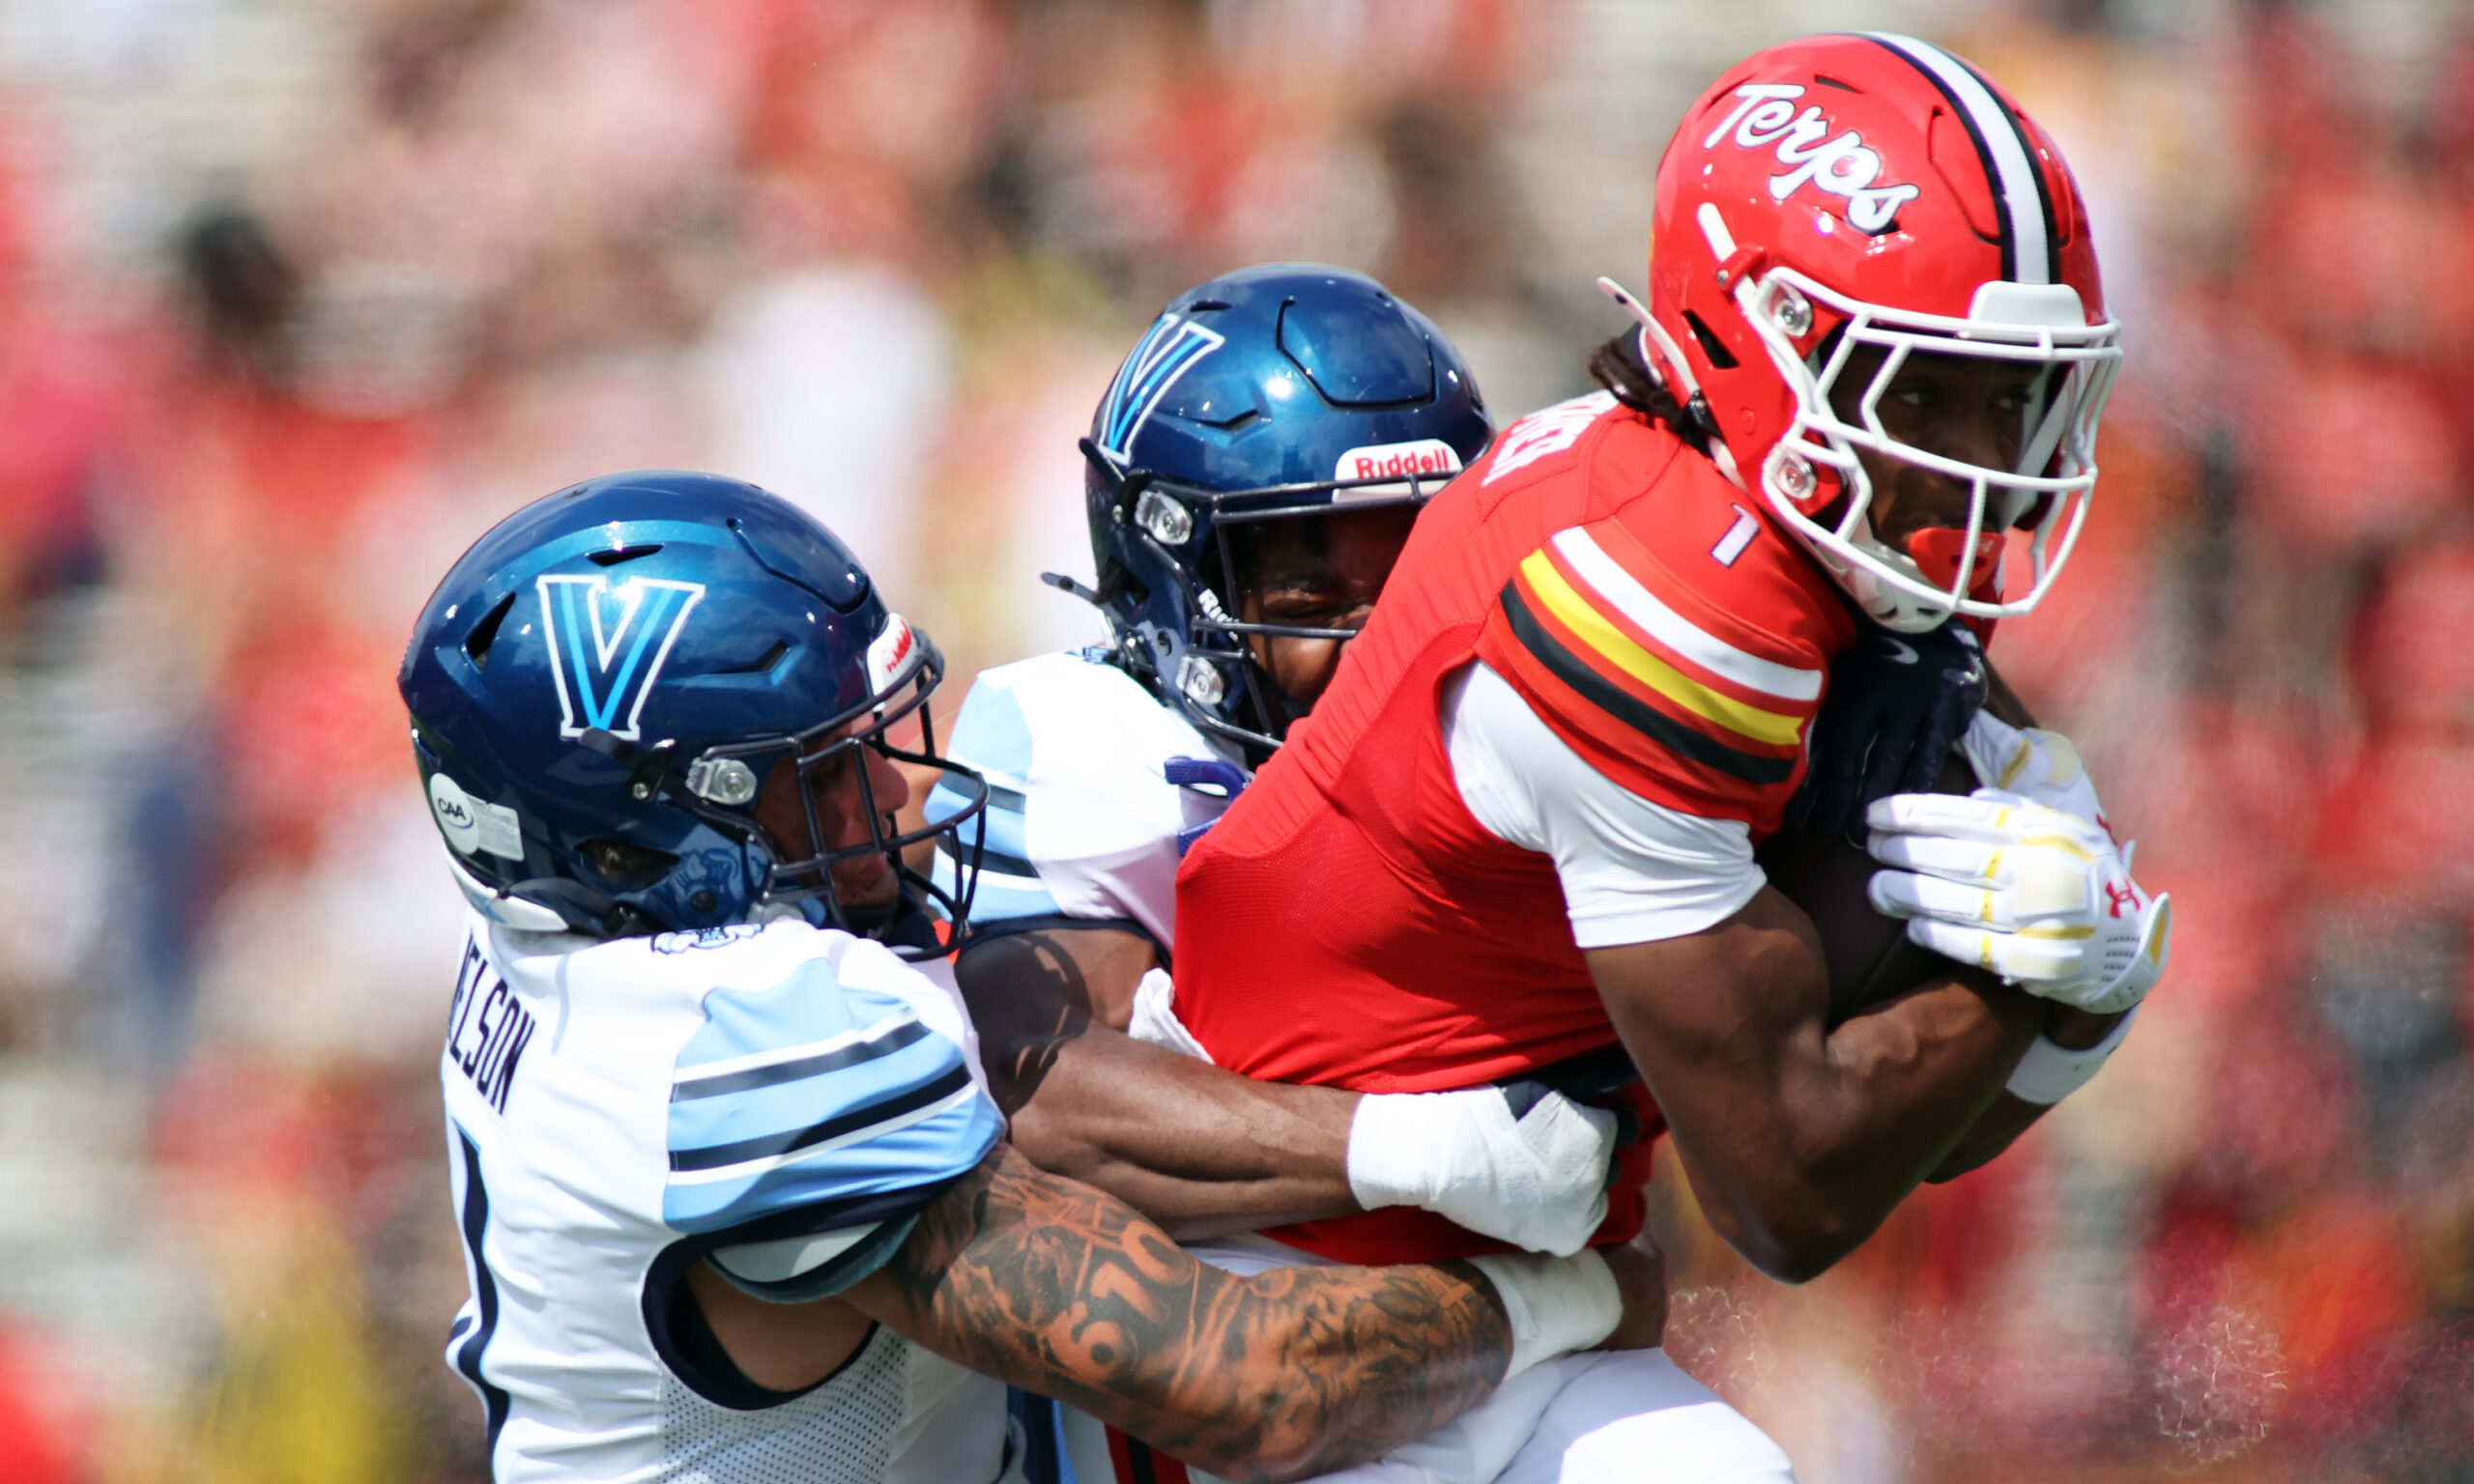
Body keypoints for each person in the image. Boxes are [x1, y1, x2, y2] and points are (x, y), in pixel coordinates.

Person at [1160, 32, 2172, 1478]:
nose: (1983, 456)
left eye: (2016, 395)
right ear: (1751, 334)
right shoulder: (1662, 605)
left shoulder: (1785, 527)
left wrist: (2079, 1004)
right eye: (1924, 389)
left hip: (1518, 1277)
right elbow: (1793, 1191)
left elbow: (1916, 1138)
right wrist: (2033, 977)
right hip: (1297, 1288)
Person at [398, 470, 1661, 1484]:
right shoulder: (748, 1046)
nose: (896, 796)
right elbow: (1246, 1389)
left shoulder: (564, 933)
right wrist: (1582, 1291)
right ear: (644, 834)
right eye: (826, 772)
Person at [929, 266, 1712, 1482]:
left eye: (1409, 575)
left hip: (1520, 1357)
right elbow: (1038, 1108)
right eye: (1307, 591)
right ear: (1172, 578)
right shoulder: (1089, 737)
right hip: (1254, 1402)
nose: (1375, 637)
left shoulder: (1520, 725)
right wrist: (1441, 1152)